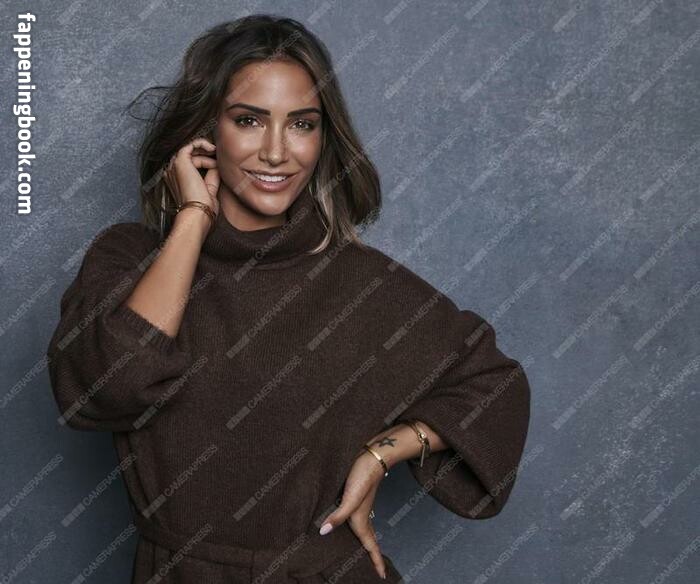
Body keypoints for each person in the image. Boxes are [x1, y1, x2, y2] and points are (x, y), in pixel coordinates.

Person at [46, 15, 531, 584]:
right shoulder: (129, 259)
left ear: (323, 140)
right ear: (206, 131)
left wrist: (384, 452)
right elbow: (105, 390)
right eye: (248, 120)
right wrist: (193, 218)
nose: (276, 152)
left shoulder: (362, 281)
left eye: (301, 124)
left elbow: (494, 384)